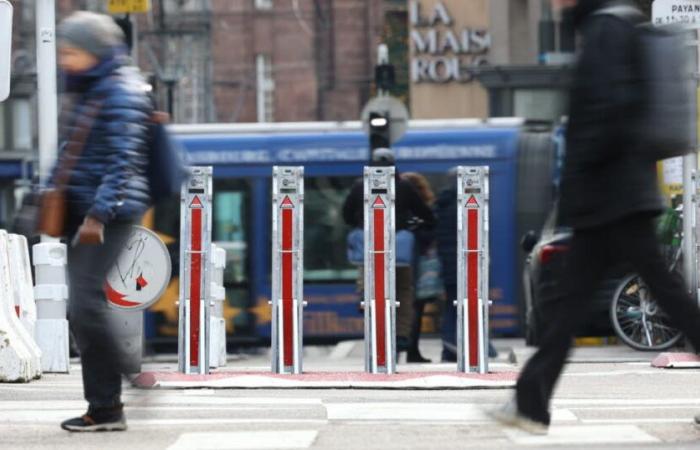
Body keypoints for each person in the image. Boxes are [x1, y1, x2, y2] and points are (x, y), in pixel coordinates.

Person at [490, 0, 700, 435]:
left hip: (610, 197)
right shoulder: (618, 27)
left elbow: (605, 112)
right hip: (616, 195)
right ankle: (530, 402)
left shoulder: (607, 29)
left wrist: (579, 179)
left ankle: (530, 402)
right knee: (573, 307)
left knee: (663, 297)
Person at [55, 12, 153, 432]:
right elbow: (70, 151)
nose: (63, 60)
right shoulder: (92, 87)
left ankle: (130, 375)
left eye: (70, 52)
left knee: (86, 305)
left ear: (94, 52)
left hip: (108, 213)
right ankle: (106, 407)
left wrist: (98, 213)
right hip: (85, 210)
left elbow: (122, 161)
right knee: (83, 307)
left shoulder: (120, 91)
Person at [342, 149, 436, 354]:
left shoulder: (360, 186)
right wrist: (413, 224)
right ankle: (401, 335)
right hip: (398, 248)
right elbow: (426, 214)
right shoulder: (404, 186)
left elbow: (346, 215)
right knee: (403, 290)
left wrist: (360, 223)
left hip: (369, 247)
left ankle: (369, 311)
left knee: (368, 282)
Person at [434, 171, 498, 363]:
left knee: (453, 305)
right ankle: (467, 345)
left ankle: (451, 349)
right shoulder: (461, 205)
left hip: (449, 264)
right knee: (467, 303)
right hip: (464, 263)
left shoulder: (443, 205)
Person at [401, 172, 438, 363]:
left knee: (405, 305)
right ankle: (411, 349)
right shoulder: (425, 211)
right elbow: (430, 234)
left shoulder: (397, 209)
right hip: (420, 264)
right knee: (416, 306)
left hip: (404, 262)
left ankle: (404, 347)